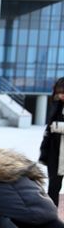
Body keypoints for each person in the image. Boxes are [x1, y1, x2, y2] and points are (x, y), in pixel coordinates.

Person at [39, 76, 64, 206]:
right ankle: (51, 215)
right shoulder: (56, 105)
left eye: (63, 93)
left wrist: (58, 127)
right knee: (54, 186)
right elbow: (49, 127)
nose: (60, 96)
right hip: (55, 151)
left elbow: (53, 126)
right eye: (59, 93)